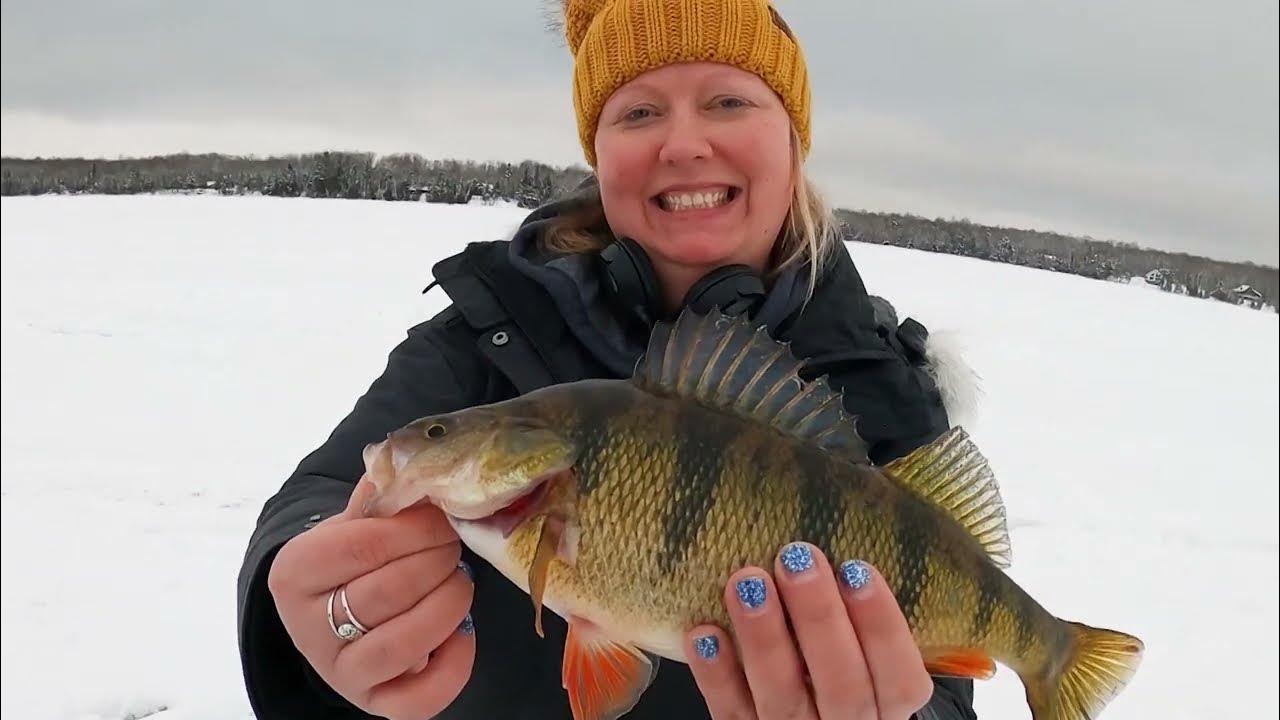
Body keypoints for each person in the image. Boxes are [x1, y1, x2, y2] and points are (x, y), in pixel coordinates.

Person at [236, 1, 980, 718]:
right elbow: (322, 494)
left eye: (726, 102)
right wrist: (311, 599)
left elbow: (948, 687)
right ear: (600, 152)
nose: (684, 144)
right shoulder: (490, 331)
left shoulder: (884, 389)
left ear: (793, 137)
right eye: (639, 112)